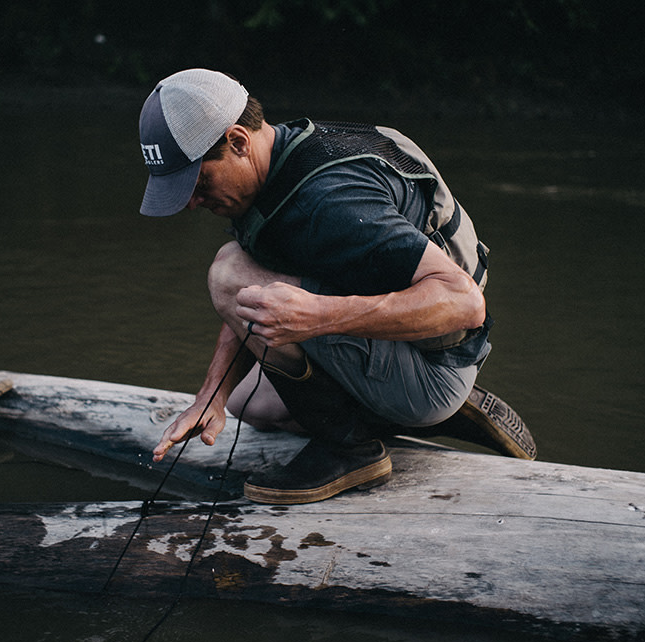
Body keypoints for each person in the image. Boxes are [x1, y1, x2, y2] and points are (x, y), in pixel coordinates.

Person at [139, 68, 535, 505]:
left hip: (434, 366)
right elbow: (255, 302)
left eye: (197, 182)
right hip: (413, 351)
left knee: (228, 271)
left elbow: (465, 303)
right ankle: (418, 415)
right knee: (247, 404)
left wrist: (315, 316)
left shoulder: (332, 199)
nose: (192, 202)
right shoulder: (277, 161)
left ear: (237, 141)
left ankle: (351, 450)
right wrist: (209, 398)